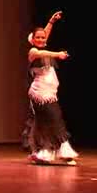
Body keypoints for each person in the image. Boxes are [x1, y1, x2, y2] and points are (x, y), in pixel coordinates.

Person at [26, 11, 78, 165]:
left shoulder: (42, 46)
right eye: (38, 37)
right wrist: (58, 54)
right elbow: (43, 51)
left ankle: (44, 152)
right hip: (40, 93)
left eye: (43, 37)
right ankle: (63, 151)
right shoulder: (33, 52)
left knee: (46, 122)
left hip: (49, 93)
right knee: (55, 118)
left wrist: (51, 22)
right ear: (33, 40)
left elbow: (45, 37)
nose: (42, 39)